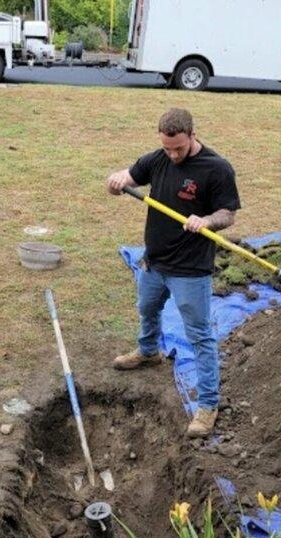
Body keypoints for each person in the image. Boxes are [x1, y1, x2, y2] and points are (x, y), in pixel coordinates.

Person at [106, 108, 241, 438]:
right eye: (167, 148)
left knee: (199, 335)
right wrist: (118, 180)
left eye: (178, 148)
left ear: (193, 135)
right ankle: (149, 352)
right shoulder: (158, 158)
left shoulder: (216, 168)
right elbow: (131, 175)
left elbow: (228, 214)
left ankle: (208, 405)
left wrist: (206, 221)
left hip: (190, 271)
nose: (173, 154)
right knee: (147, 309)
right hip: (155, 261)